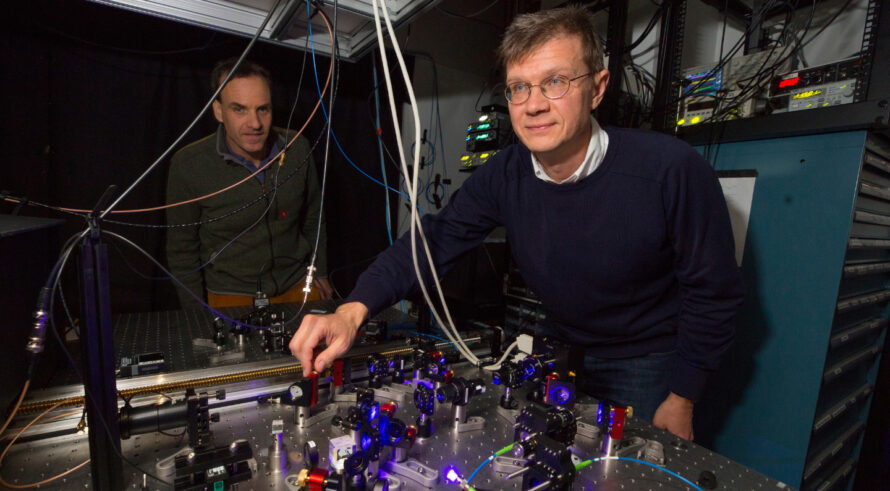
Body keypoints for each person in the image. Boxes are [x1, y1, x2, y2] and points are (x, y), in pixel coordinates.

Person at [289, 7, 743, 440]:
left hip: (647, 362)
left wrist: (684, 395)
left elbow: (714, 292)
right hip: (562, 349)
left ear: (599, 88)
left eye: (555, 82)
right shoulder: (505, 174)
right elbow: (436, 239)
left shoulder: (671, 171)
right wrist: (354, 309)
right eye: (518, 87)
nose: (533, 105)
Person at [166, 59, 332, 308]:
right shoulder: (189, 163)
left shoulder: (297, 148)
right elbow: (182, 252)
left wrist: (320, 271)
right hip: (230, 296)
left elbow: (313, 218)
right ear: (218, 111)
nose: (255, 123)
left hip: (297, 287)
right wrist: (195, 315)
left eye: (262, 109)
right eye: (239, 109)